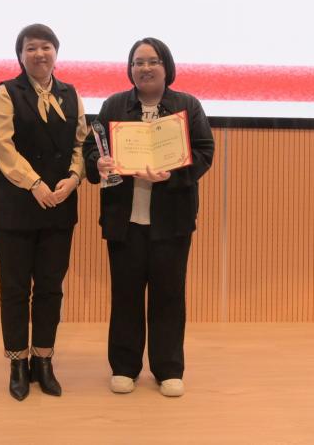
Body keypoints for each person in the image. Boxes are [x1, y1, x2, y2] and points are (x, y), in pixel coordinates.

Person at [83, 37, 214, 397]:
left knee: (168, 295)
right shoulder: (114, 105)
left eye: (152, 61)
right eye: (138, 62)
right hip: (124, 222)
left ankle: (168, 368)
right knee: (125, 295)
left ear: (166, 66)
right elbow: (91, 147)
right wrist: (99, 161)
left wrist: (173, 174)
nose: (145, 68)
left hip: (171, 221)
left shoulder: (187, 105)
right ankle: (124, 367)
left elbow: (205, 151)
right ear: (130, 69)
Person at [0, 23, 88, 401]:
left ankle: (44, 360)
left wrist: (74, 178)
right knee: (14, 288)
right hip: (15, 207)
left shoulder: (71, 94)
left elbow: (81, 143)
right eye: (31, 48)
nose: (39, 54)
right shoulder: (7, 92)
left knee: (50, 287)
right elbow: (2, 147)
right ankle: (17, 363)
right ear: (20, 55)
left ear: (56, 52)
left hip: (59, 205)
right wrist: (34, 184)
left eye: (46, 47)